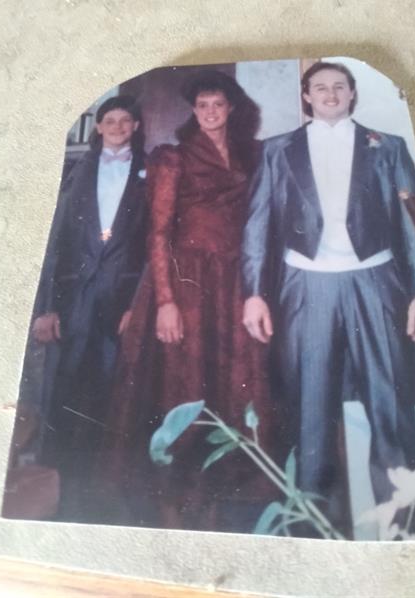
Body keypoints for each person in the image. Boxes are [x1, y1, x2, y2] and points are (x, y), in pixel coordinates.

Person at [241, 61, 415, 532]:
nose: (330, 94)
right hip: (306, 288)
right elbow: (256, 227)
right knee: (309, 416)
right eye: (320, 87)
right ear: (306, 96)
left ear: (352, 94)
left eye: (339, 87)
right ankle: (315, 535)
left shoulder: (388, 147)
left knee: (392, 411)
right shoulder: (276, 151)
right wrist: (254, 294)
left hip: (376, 284)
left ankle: (409, 530)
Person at [122, 70, 278, 531]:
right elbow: (158, 233)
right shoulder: (174, 157)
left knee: (234, 386)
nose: (210, 112)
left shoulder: (250, 154)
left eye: (218, 105)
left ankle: (218, 493)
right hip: (187, 282)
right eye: (203, 105)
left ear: (231, 109)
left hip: (233, 282)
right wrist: (165, 301)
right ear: (194, 110)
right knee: (185, 385)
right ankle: (175, 495)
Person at [31, 94, 148, 520]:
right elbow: (56, 244)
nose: (117, 127)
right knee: (65, 392)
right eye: (109, 121)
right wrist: (47, 308)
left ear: (135, 126)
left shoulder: (149, 173)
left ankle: (102, 495)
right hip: (73, 301)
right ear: (98, 128)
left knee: (112, 393)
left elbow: (154, 245)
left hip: (120, 302)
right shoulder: (76, 172)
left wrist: (138, 306)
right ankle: (58, 490)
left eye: (125, 121)